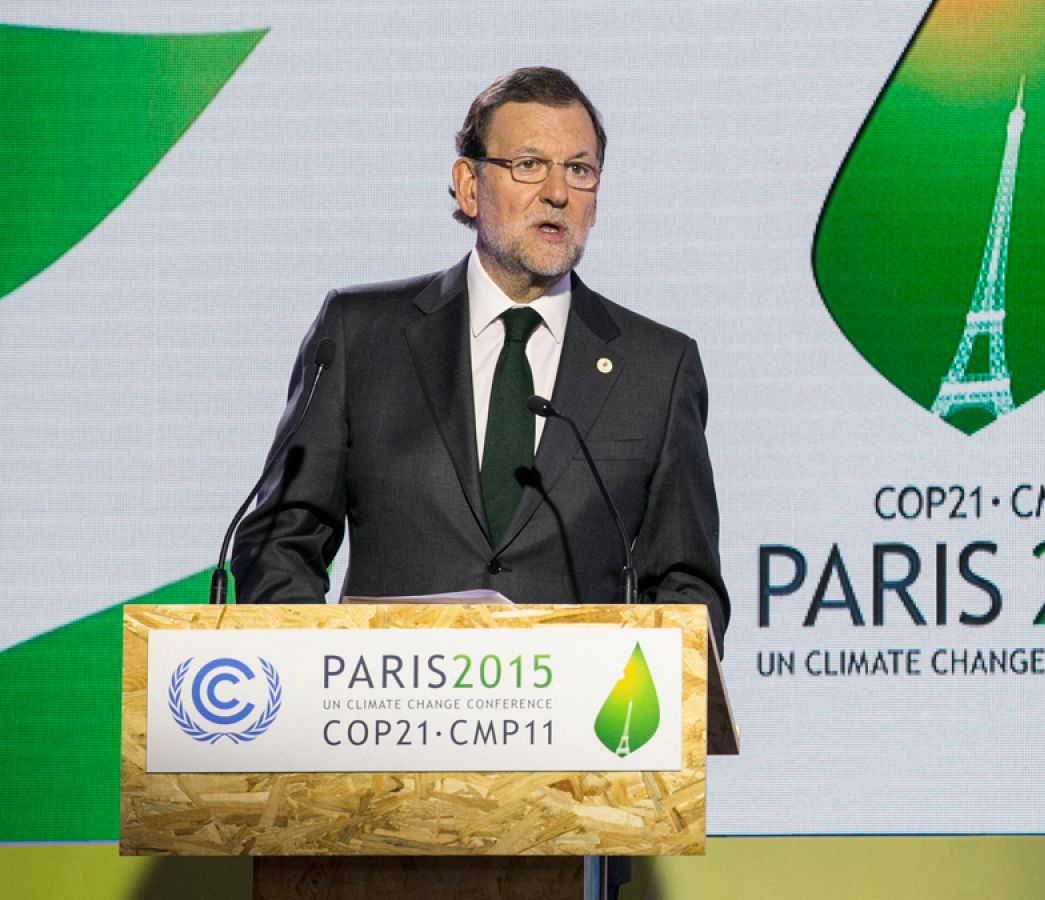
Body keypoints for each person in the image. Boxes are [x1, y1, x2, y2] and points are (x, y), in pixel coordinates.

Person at [232, 65, 729, 646]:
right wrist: (318, 671)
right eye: (529, 164)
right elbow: (279, 541)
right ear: (469, 185)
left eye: (579, 169)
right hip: (382, 720)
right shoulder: (362, 335)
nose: (558, 192)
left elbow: (686, 584)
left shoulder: (657, 369)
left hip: (572, 730)